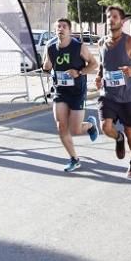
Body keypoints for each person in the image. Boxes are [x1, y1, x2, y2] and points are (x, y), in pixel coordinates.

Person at [95, 5, 131, 178]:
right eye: (108, 17)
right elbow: (102, 65)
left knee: (130, 131)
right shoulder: (101, 42)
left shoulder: (130, 42)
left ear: (122, 21)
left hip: (127, 95)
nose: (111, 20)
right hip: (108, 94)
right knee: (105, 127)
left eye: (114, 17)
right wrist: (98, 77)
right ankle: (118, 138)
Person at [42, 17, 100, 172]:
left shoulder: (79, 47)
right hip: (60, 91)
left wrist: (79, 72)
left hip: (77, 92)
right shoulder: (51, 48)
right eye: (58, 27)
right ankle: (74, 159)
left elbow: (94, 64)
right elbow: (47, 65)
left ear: (69, 30)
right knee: (61, 126)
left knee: (75, 130)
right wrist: (46, 66)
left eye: (63, 27)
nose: (60, 29)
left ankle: (90, 125)